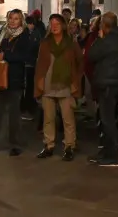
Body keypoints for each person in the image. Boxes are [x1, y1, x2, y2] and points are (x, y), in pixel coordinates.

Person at [34, 14, 84, 161]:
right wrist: (39, 81)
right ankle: (48, 145)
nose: (54, 26)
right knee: (48, 118)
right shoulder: (45, 43)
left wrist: (76, 80)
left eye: (57, 23)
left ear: (63, 26)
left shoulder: (71, 43)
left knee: (68, 118)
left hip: (66, 85)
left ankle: (69, 146)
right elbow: (40, 63)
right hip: (48, 85)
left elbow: (80, 62)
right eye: (51, 24)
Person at [0, 9, 36, 156]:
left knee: (14, 114)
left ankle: (15, 145)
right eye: (11, 18)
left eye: (16, 19)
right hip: (1, 76)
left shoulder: (25, 35)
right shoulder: (3, 32)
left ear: (21, 21)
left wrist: (5, 55)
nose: (13, 21)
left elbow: (24, 56)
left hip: (15, 78)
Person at [87, 12, 118, 167]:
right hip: (113, 82)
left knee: (107, 120)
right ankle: (106, 151)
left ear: (104, 25)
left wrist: (99, 38)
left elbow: (92, 55)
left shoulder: (108, 40)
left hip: (107, 84)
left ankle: (113, 156)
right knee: (108, 119)